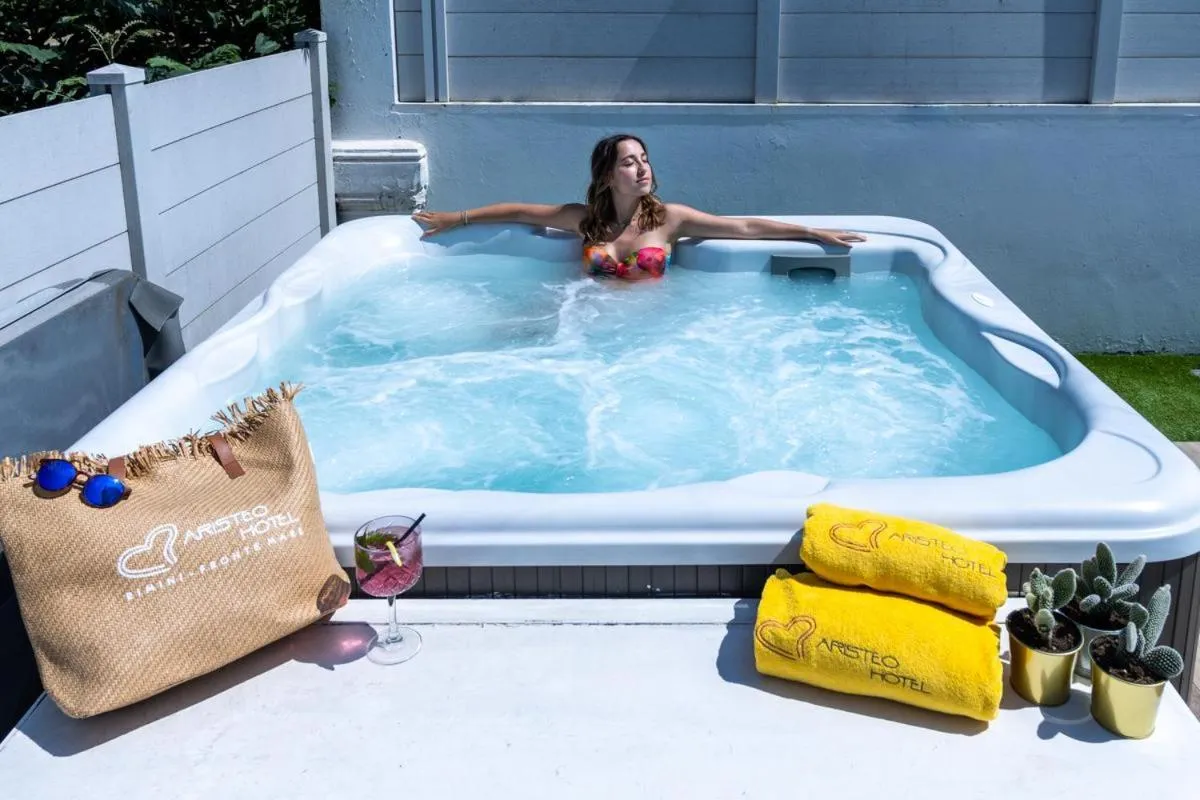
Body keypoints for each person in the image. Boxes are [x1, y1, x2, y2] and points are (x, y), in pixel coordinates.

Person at [412, 133, 866, 282]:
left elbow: (743, 227)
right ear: (608, 176)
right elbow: (520, 212)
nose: (642, 168)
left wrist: (812, 232)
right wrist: (458, 218)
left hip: (647, 334)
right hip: (582, 320)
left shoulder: (670, 220)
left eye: (644, 159)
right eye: (630, 162)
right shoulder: (584, 220)